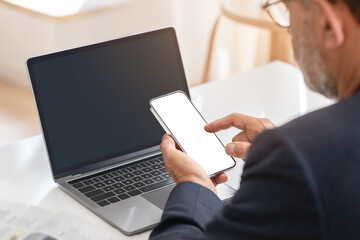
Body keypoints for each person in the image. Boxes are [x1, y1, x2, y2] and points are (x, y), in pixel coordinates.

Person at [150, 0, 360, 239]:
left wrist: (193, 183)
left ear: (327, 23)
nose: (288, 29)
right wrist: (287, 160)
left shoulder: (297, 154)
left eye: (288, 12)